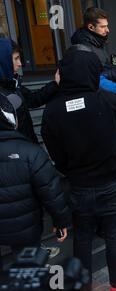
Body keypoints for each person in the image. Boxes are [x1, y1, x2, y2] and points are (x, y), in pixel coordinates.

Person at [41, 49, 116, 291]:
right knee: (113, 234)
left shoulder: (52, 111)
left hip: (79, 185)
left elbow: (55, 153)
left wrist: (72, 171)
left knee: (83, 237)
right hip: (112, 181)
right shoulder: (107, 100)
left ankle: (83, 290)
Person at [0, 95, 70, 270]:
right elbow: (51, 193)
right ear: (12, 120)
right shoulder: (31, 152)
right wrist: (60, 222)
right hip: (27, 228)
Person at [0, 38, 59, 143]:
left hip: (29, 147)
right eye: (16, 58)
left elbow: (33, 99)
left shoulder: (13, 84)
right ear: (3, 61)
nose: (20, 64)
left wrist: (55, 84)